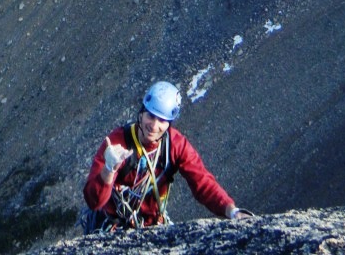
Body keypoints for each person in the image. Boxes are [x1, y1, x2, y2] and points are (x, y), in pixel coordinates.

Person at [82, 80, 251, 231]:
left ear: (169, 123)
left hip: (151, 223)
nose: (154, 126)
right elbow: (94, 202)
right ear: (141, 113)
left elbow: (202, 182)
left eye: (162, 120)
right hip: (113, 223)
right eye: (151, 116)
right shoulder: (117, 143)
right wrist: (108, 169)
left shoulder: (175, 145)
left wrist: (232, 211)